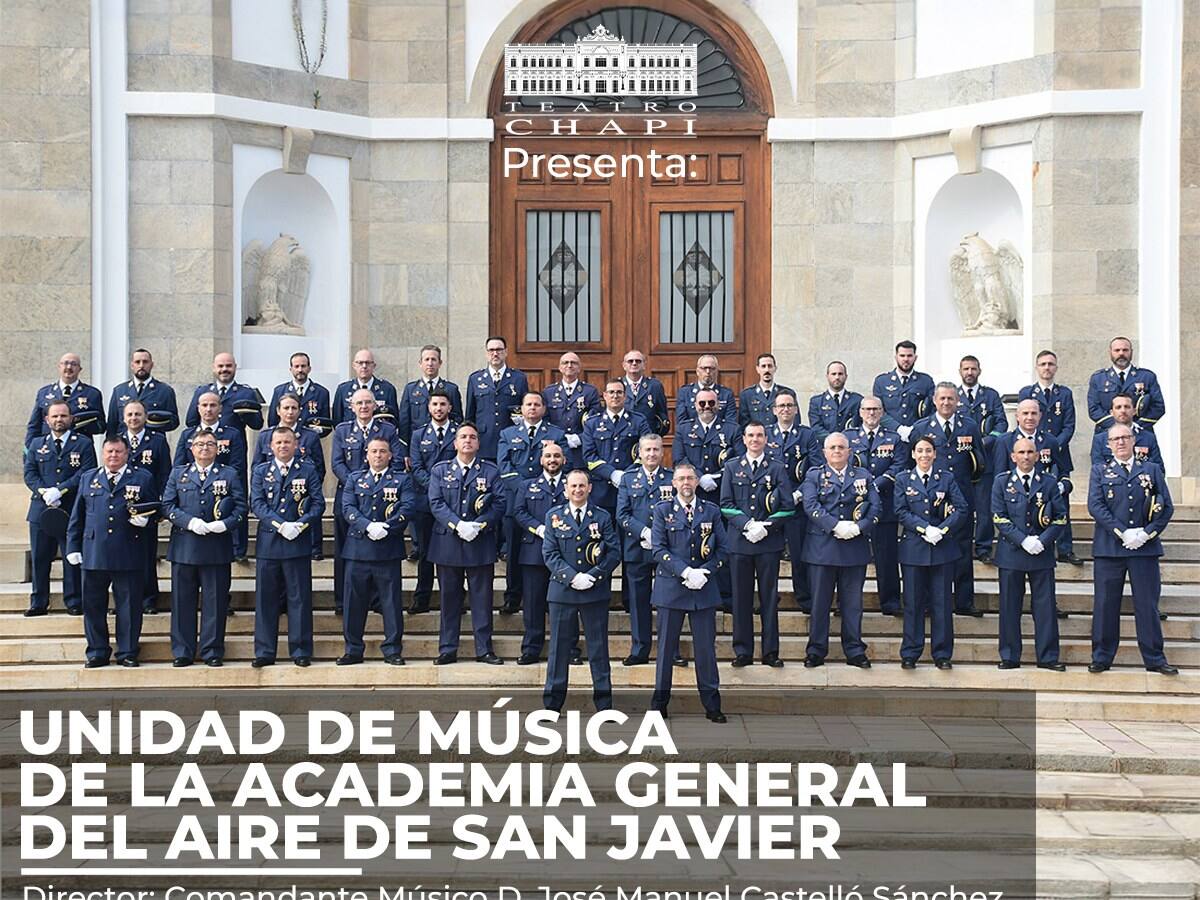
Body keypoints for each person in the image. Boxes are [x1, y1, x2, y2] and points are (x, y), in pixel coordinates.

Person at [1087, 424, 1177, 675]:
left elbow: (1166, 507)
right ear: (1108, 444)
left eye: (1125, 437)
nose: (1120, 442)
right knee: (1105, 605)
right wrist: (1121, 532)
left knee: (1147, 605)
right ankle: (1102, 657)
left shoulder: (1152, 470)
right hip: (1109, 549)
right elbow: (1095, 506)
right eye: (1115, 439)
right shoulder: (1099, 471)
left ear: (1134, 440)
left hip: (1144, 549)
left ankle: (1155, 658)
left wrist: (1147, 533)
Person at [66, 437, 158, 668]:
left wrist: (146, 522)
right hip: (94, 552)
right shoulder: (89, 478)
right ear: (102, 453)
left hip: (128, 551)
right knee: (93, 605)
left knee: (129, 606)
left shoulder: (142, 478)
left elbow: (156, 510)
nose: (113, 456)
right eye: (109, 452)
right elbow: (78, 516)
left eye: (118, 452)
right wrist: (72, 547)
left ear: (127, 453)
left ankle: (127, 651)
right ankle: (97, 651)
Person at [650, 464, 729, 723]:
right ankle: (659, 704)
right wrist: (685, 572)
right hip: (671, 588)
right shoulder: (662, 511)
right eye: (681, 478)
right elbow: (658, 549)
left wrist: (704, 572)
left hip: (703, 589)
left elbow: (723, 549)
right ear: (673, 483)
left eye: (690, 478)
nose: (686, 482)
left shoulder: (712, 511)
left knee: (705, 649)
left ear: (697, 482)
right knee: (665, 650)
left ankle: (712, 704)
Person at [160, 430, 246, 667]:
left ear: (217, 449)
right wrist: (189, 522)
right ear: (192, 448)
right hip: (185, 547)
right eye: (200, 444)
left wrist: (224, 525)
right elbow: (167, 505)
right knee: (182, 603)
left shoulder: (229, 474)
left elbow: (241, 508)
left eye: (210, 444)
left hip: (216, 548)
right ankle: (183, 651)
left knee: (215, 603)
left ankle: (212, 651)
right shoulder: (179, 474)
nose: (205, 448)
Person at [541, 470, 621, 712]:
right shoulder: (553, 516)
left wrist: (594, 576)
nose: (577, 490)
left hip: (594, 592)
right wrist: (572, 577)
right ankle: (552, 706)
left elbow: (614, 551)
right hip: (562, 592)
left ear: (589, 488)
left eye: (582, 486)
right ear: (566, 489)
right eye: (573, 486)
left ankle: (605, 706)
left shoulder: (602, 517)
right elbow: (550, 553)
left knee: (598, 648)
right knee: (558, 649)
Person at [800, 433, 881, 669]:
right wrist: (834, 525)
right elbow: (810, 505)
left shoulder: (863, 476)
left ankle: (855, 650)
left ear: (849, 451)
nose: (837, 451)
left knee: (852, 604)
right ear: (824, 452)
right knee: (819, 604)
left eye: (841, 447)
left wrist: (859, 527)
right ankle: (816, 650)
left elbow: (876, 507)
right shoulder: (814, 475)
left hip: (853, 548)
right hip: (822, 549)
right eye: (832, 447)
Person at [427, 422, 505, 665]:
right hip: (448, 543)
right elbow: (436, 502)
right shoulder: (440, 470)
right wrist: (456, 524)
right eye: (463, 437)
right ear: (455, 443)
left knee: (482, 599)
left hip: (479, 543)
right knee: (449, 600)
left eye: (472, 437)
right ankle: (448, 649)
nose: (468, 441)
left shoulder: (490, 471)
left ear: (478, 443)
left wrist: (479, 524)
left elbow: (500, 504)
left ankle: (484, 649)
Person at [249, 427, 325, 667]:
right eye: (278, 442)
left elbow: (318, 504)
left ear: (296, 445)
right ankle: (264, 651)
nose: (283, 446)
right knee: (266, 600)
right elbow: (257, 504)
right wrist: (280, 525)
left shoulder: (308, 470)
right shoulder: (261, 471)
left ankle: (301, 649)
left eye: (287, 442)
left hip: (297, 543)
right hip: (270, 543)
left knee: (299, 599)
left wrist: (300, 525)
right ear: (270, 446)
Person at [720, 422, 793, 667]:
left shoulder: (777, 468)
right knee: (741, 599)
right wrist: (748, 525)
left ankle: (770, 651)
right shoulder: (731, 467)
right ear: (743, 439)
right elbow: (726, 504)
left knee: (769, 599)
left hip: (768, 544)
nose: (755, 439)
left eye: (759, 435)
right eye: (750, 435)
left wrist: (765, 527)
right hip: (740, 543)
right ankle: (743, 651)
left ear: (766, 439)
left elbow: (787, 507)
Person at [992, 437, 1067, 671]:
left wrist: (1042, 541)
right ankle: (1009, 655)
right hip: (1012, 553)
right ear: (1013, 456)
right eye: (1021, 452)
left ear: (1037, 456)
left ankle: (1047, 657)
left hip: (1041, 554)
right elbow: (999, 516)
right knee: (1009, 607)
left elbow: (1060, 517)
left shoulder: (1049, 483)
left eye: (1030, 452)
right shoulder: (1001, 482)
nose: (1026, 456)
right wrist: (1022, 540)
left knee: (1045, 608)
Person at [910, 383, 985, 617]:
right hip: (929, 502)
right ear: (934, 400)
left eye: (951, 399)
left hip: (961, 498)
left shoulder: (969, 426)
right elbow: (910, 465)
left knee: (963, 550)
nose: (946, 403)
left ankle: (964, 601)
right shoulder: (922, 427)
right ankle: (929, 603)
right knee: (931, 553)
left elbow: (979, 461)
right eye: (942, 398)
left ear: (957, 401)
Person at [338, 437, 413, 666]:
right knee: (353, 604)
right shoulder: (354, 478)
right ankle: (353, 649)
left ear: (390, 455)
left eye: (382, 451)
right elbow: (347, 507)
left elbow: (408, 506)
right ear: (366, 454)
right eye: (373, 451)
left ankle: (392, 649)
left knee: (391, 603)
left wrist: (387, 527)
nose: (378, 455)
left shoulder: (402, 480)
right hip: (358, 551)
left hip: (387, 550)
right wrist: (367, 526)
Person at [894, 436, 966, 670]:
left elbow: (961, 508)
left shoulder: (946, 478)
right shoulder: (903, 479)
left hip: (942, 549)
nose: (924, 455)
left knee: (942, 603)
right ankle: (910, 652)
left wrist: (942, 529)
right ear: (913, 454)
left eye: (928, 451)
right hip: (914, 549)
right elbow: (901, 510)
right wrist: (924, 528)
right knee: (913, 604)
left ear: (935, 454)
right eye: (920, 451)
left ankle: (942, 653)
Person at [331, 389, 404, 613]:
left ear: (375, 406)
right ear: (351, 406)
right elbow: (337, 463)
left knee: (379, 552)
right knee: (345, 551)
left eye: (368, 403)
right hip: (349, 499)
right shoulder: (342, 431)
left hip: (383, 498)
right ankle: (343, 601)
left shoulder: (388, 430)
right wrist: (358, 485)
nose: (363, 406)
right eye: (359, 403)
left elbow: (397, 459)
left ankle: (377, 600)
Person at [23, 401, 95, 616]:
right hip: (40, 510)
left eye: (63, 416)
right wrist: (44, 491)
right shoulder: (36, 444)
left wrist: (61, 490)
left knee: (71, 555)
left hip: (70, 510)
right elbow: (29, 473)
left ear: (71, 419)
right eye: (54, 416)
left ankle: (73, 600)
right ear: (47, 420)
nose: (59, 420)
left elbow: (86, 471)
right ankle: (38, 601)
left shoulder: (82, 443)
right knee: (40, 557)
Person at [497, 392, 565, 614]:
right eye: (529, 404)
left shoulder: (556, 434)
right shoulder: (508, 434)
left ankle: (546, 597)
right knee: (515, 550)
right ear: (522, 408)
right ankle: (513, 596)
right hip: (516, 500)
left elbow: (564, 462)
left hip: (547, 501)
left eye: (537, 405)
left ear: (544, 409)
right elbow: (504, 466)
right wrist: (525, 489)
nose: (533, 408)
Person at [673, 389, 740, 610]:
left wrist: (717, 477)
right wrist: (700, 477)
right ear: (695, 405)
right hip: (693, 494)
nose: (706, 407)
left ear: (718, 404)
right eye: (702, 403)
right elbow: (678, 458)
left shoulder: (731, 429)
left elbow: (738, 459)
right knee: (693, 544)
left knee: (720, 545)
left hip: (723, 494)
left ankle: (726, 597)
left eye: (711, 402)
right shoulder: (684, 429)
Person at [1018, 350, 1081, 565]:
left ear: (1056, 367)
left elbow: (1069, 424)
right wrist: (1034, 449)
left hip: (1057, 455)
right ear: (1037, 367)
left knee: (1060, 502)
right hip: (1030, 455)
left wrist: (1053, 446)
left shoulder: (1064, 393)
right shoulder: (1027, 391)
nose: (1047, 368)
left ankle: (1065, 549)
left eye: (1051, 364)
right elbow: (1024, 420)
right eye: (1043, 364)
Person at [616, 434, 674, 665]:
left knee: (667, 602)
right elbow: (622, 514)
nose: (651, 454)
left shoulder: (671, 478)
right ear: (639, 453)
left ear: (662, 453)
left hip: (665, 550)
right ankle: (640, 649)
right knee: (639, 602)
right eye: (647, 450)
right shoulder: (629, 479)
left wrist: (657, 535)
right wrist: (644, 532)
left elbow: (676, 511)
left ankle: (670, 650)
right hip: (636, 548)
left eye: (656, 450)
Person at [846, 397, 906, 616]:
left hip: (884, 506)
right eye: (867, 409)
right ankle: (847, 603)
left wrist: (875, 485)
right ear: (860, 412)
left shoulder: (894, 439)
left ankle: (890, 602)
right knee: (851, 557)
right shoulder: (848, 437)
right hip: (854, 506)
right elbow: (841, 464)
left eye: (875, 409)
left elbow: (899, 466)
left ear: (882, 413)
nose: (871, 413)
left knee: (887, 557)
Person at [175, 391, 249, 560]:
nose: (208, 409)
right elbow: (179, 465)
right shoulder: (188, 435)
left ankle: (237, 550)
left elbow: (237, 465)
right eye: (204, 405)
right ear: (198, 408)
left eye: (213, 405)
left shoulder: (232, 434)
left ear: (220, 408)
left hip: (224, 490)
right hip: (192, 490)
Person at [513, 442, 569, 664]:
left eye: (556, 456)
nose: (552, 459)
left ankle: (568, 647)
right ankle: (531, 648)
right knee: (533, 603)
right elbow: (519, 511)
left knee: (565, 604)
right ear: (540, 460)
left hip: (566, 554)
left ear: (564, 459)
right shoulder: (528, 485)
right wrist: (539, 528)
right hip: (534, 552)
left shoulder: (572, 484)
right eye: (548, 456)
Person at [764, 390, 820, 612]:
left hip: (797, 506)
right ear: (774, 410)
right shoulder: (765, 434)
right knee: (769, 557)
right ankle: (769, 600)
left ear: (796, 409)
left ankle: (804, 599)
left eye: (789, 405)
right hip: (769, 505)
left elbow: (814, 467)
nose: (785, 409)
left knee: (799, 554)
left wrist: (801, 493)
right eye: (781, 406)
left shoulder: (807, 435)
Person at [255, 394, 327, 560]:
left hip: (299, 502)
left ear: (300, 411)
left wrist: (304, 493)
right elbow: (257, 466)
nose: (290, 412)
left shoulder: (310, 436)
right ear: (278, 411)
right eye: (286, 408)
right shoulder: (265, 435)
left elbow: (319, 468)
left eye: (294, 408)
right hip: (271, 503)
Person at [407, 390, 458, 614]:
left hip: (455, 503)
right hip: (425, 502)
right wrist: (436, 487)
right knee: (425, 553)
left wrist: (447, 490)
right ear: (429, 408)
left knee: (453, 553)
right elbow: (416, 468)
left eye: (442, 404)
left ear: (450, 407)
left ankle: (457, 596)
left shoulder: (459, 433)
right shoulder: (419, 435)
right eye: (435, 404)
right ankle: (422, 597)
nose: (438, 408)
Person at [119, 400, 171, 615]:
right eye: (130, 414)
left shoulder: (157, 440)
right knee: (121, 555)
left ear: (145, 416)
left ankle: (149, 598)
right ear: (124, 418)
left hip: (147, 506)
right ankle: (123, 600)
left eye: (138, 414)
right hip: (121, 507)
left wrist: (159, 507)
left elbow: (165, 474)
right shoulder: (117, 439)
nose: (134, 418)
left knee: (148, 554)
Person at [957, 356, 1007, 563]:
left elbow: (1002, 424)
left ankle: (984, 548)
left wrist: (987, 440)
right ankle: (961, 545)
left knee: (984, 508)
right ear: (960, 371)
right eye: (966, 369)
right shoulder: (953, 395)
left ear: (980, 370)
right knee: (961, 507)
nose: (970, 372)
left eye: (973, 369)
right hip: (959, 462)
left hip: (985, 460)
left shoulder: (991, 395)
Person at [583, 380, 650, 519]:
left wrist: (627, 475)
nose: (615, 396)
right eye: (611, 392)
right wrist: (612, 473)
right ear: (605, 396)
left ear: (625, 396)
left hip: (632, 486)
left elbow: (647, 451)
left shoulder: (639, 420)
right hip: (601, 489)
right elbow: (589, 456)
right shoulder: (592, 423)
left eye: (619, 392)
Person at [464, 336, 528, 461]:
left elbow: (525, 410)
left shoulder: (519, 378)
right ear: (486, 353)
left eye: (499, 350)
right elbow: (470, 415)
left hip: (511, 439)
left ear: (506, 352)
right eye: (491, 350)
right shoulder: (475, 379)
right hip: (484, 441)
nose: (495, 353)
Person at [1087, 336, 1165, 433]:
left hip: (1140, 432)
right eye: (1117, 350)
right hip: (1107, 433)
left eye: (1125, 350)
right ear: (1110, 352)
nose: (1121, 353)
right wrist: (1116, 427)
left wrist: (1136, 426)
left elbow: (1158, 407)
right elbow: (1094, 409)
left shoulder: (1147, 377)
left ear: (1131, 352)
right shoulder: (1098, 378)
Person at [26, 352, 105, 444]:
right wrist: (29, 451)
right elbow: (34, 425)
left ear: (80, 369)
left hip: (79, 447)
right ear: (59, 367)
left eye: (73, 364)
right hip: (49, 449)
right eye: (65, 363)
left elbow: (101, 426)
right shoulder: (44, 393)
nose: (69, 367)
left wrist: (79, 424)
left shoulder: (92, 394)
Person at [542, 351, 602, 472]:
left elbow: (596, 421)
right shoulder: (549, 392)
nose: (569, 365)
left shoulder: (589, 392)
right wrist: (558, 438)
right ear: (560, 368)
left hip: (582, 450)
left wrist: (579, 438)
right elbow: (544, 420)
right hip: (556, 450)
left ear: (579, 368)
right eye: (565, 363)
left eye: (573, 363)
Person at [397, 344, 463, 451]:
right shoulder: (410, 390)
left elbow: (458, 419)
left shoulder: (451, 389)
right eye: (426, 359)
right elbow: (404, 423)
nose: (430, 363)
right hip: (418, 445)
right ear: (420, 363)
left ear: (440, 363)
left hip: (445, 446)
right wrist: (405, 452)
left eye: (434, 359)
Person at [184, 352, 265, 439]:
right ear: (214, 368)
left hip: (234, 445)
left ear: (235, 367)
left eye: (229, 366)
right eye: (220, 366)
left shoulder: (246, 393)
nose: (224, 369)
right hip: (206, 445)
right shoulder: (202, 391)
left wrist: (245, 414)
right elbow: (191, 421)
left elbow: (257, 424)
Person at [106, 348, 179, 436]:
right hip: (124, 444)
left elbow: (173, 422)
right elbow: (112, 424)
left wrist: (153, 423)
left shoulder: (165, 391)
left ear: (151, 365)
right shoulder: (119, 391)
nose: (141, 366)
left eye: (145, 362)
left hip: (154, 443)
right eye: (137, 362)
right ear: (132, 365)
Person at [872, 340, 934, 441]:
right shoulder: (882, 381)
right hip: (889, 436)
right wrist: (899, 429)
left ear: (915, 358)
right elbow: (878, 411)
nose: (906, 359)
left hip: (918, 437)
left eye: (909, 356)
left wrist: (915, 429)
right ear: (896, 357)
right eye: (902, 355)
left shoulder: (926, 381)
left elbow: (932, 410)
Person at [1090, 394, 1164, 468]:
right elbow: (1097, 472)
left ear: (1134, 411)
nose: (1123, 411)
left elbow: (1159, 471)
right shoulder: (1100, 440)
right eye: (1118, 407)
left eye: (1127, 407)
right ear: (1111, 412)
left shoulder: (1148, 438)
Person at [332, 349, 400, 424]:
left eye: (367, 363)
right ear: (354, 366)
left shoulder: (387, 389)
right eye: (360, 363)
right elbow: (337, 421)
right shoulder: (343, 390)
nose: (364, 366)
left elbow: (394, 420)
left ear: (374, 366)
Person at [267, 352, 332, 430]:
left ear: (309, 369)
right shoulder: (279, 391)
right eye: (296, 366)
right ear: (291, 369)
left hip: (310, 440)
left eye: (303, 366)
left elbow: (325, 426)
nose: (300, 370)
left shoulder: (322, 393)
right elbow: (272, 421)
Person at [808, 361, 864, 443]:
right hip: (826, 448)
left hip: (851, 446)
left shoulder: (857, 400)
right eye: (833, 374)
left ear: (846, 376)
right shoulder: (816, 402)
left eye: (840, 374)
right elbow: (816, 428)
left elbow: (861, 425)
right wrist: (834, 441)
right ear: (827, 376)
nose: (837, 377)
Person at [676, 354, 737, 426]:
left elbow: (731, 423)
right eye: (704, 368)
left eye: (712, 368)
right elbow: (681, 422)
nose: (708, 372)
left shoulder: (726, 394)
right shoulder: (685, 393)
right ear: (697, 371)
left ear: (717, 371)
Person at [620, 349, 670, 435]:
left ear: (644, 365)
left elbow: (662, 416)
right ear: (624, 365)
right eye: (630, 361)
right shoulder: (617, 385)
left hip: (647, 437)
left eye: (638, 361)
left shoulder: (655, 386)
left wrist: (655, 435)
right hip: (622, 437)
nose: (634, 363)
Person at [738, 353, 793, 429]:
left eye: (770, 366)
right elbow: (744, 424)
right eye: (763, 366)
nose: (767, 370)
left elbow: (794, 422)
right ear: (757, 369)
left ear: (775, 368)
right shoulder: (747, 395)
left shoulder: (787, 394)